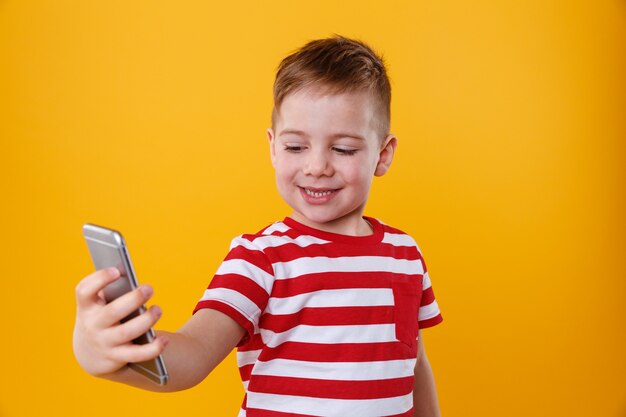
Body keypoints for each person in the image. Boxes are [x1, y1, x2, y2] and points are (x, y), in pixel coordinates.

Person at [73, 35, 443, 417]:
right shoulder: (259, 259)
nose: (316, 166)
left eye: (343, 149)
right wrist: (101, 354)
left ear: (383, 155)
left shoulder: (405, 256)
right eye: (296, 147)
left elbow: (413, 363)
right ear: (272, 147)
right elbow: (194, 353)